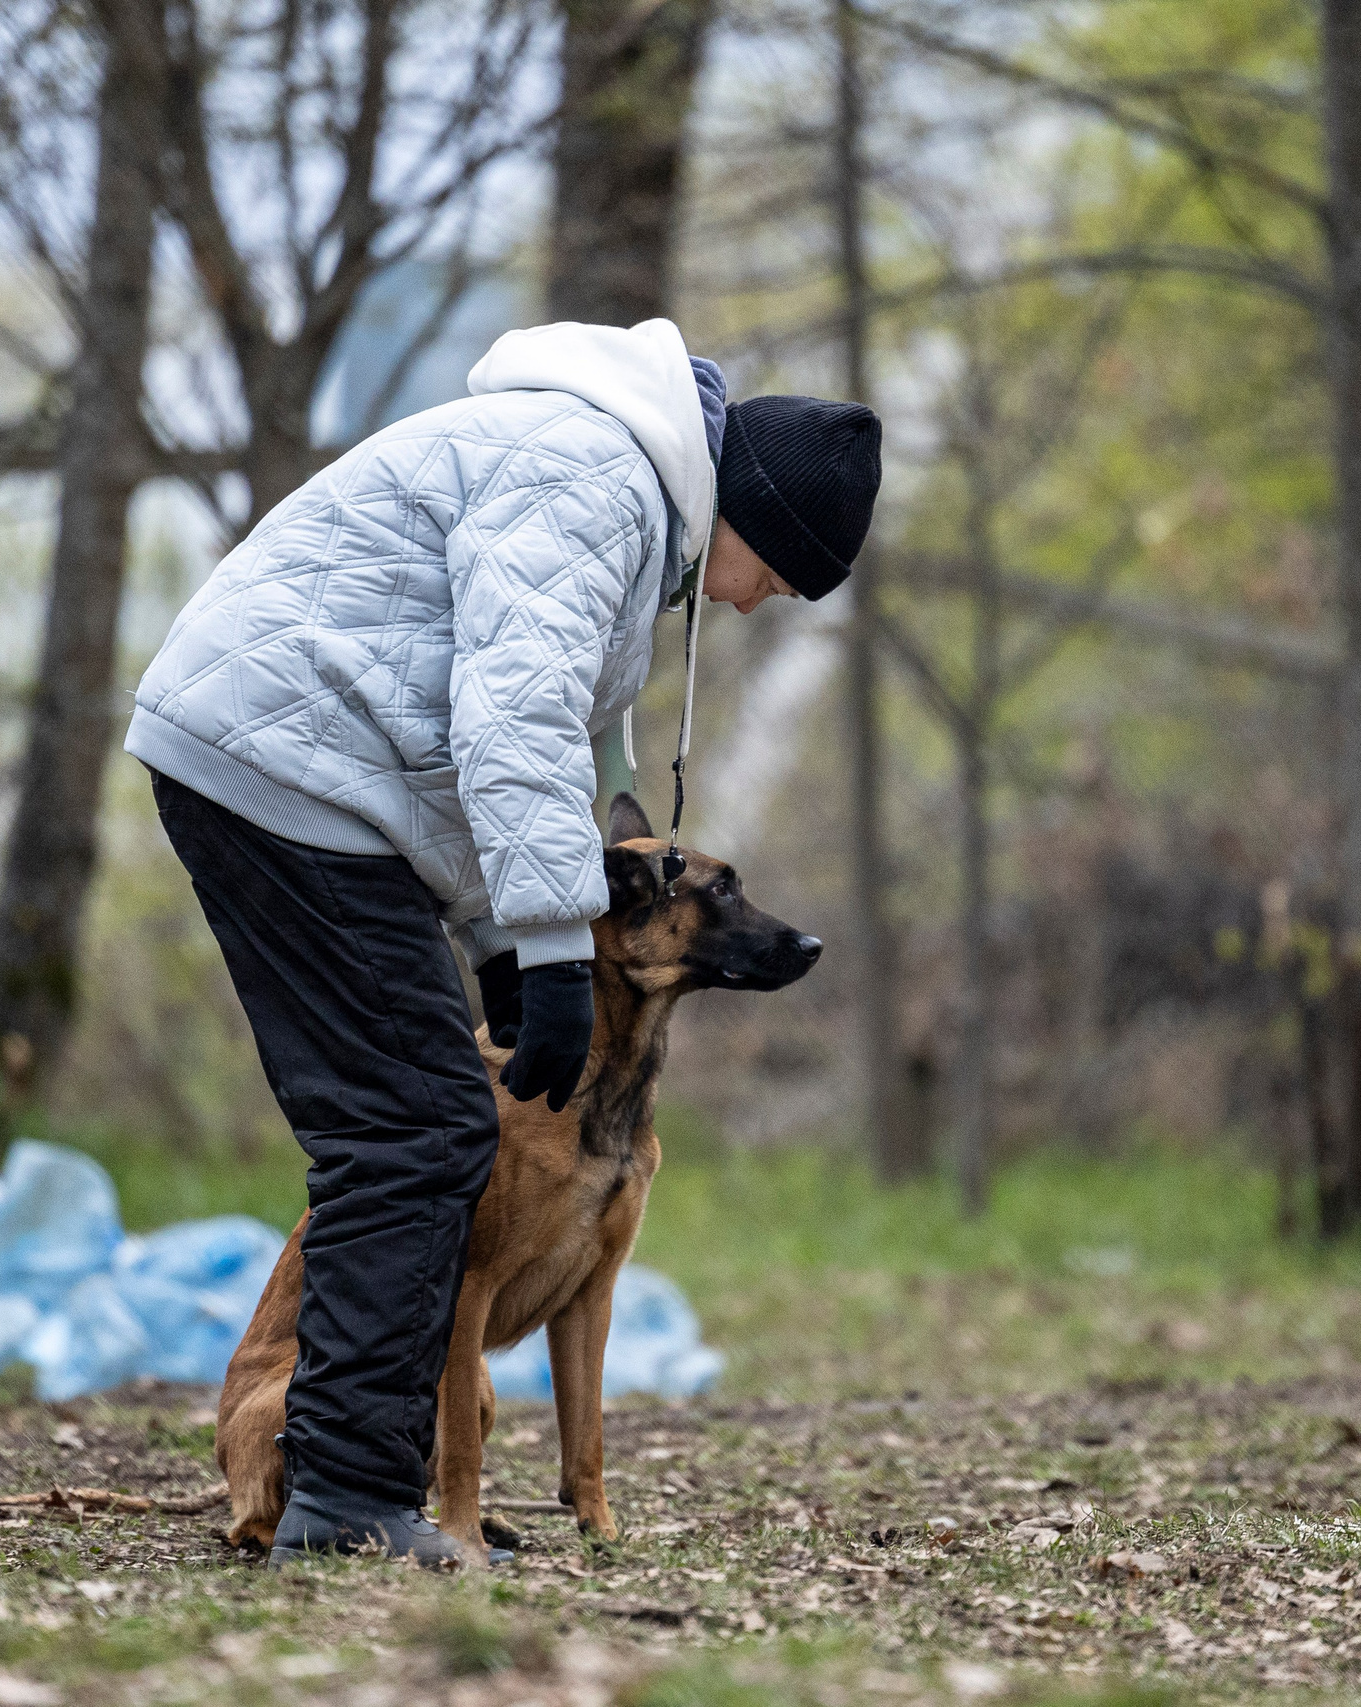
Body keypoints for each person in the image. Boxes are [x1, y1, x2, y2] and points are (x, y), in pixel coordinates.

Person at [123, 318, 880, 1566]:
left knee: (421, 1118)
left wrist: (492, 941)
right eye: (780, 577)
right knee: (414, 1124)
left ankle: (349, 1487)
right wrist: (544, 945)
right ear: (752, 514)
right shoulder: (593, 480)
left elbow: (478, 747)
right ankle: (347, 1501)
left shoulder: (610, 496)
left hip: (304, 767)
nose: (754, 602)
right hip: (278, 760)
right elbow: (510, 721)